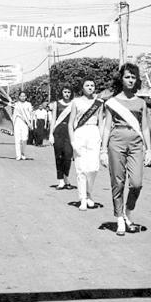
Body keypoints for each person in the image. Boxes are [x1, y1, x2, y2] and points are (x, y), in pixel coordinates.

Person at [101, 63, 151, 235]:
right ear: (121, 79)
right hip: (116, 142)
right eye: (127, 77)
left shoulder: (141, 103)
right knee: (118, 181)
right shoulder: (112, 103)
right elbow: (107, 126)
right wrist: (102, 150)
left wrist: (149, 149)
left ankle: (128, 211)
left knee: (136, 183)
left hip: (136, 143)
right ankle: (119, 218)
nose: (130, 80)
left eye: (133, 77)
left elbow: (145, 127)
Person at [68, 77, 103, 211]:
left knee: (93, 168)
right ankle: (83, 198)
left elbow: (100, 121)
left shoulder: (99, 102)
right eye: (87, 85)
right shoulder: (76, 102)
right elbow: (71, 124)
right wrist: (72, 141)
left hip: (94, 132)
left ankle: (89, 192)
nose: (90, 87)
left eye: (92, 85)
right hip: (80, 134)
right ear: (82, 88)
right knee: (81, 168)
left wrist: (100, 139)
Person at [49, 86, 73, 189]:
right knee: (58, 156)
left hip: (69, 131)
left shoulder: (73, 104)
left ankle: (66, 177)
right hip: (58, 131)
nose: (67, 94)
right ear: (61, 93)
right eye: (65, 92)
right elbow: (53, 119)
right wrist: (50, 134)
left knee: (68, 155)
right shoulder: (56, 104)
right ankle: (61, 180)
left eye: (68, 92)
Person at [12, 92, 33, 160]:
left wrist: (31, 123)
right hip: (17, 122)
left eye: (24, 96)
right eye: (21, 96)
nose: (22, 97)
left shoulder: (28, 104)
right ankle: (18, 155)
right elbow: (14, 114)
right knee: (17, 139)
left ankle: (23, 153)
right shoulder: (16, 104)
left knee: (25, 139)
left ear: (26, 97)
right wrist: (12, 124)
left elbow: (31, 114)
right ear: (19, 97)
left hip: (25, 123)